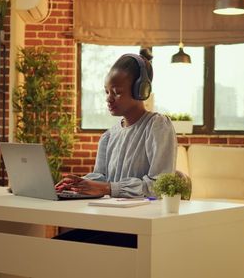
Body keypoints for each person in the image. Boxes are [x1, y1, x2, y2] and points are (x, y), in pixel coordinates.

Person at [53, 50, 177, 248]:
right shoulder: (109, 135)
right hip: (109, 221)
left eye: (117, 92)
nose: (109, 99)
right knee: (55, 246)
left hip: (140, 230)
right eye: (107, 92)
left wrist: (110, 188)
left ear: (140, 91)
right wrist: (76, 185)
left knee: (62, 251)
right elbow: (100, 178)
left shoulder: (157, 125)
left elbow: (159, 186)